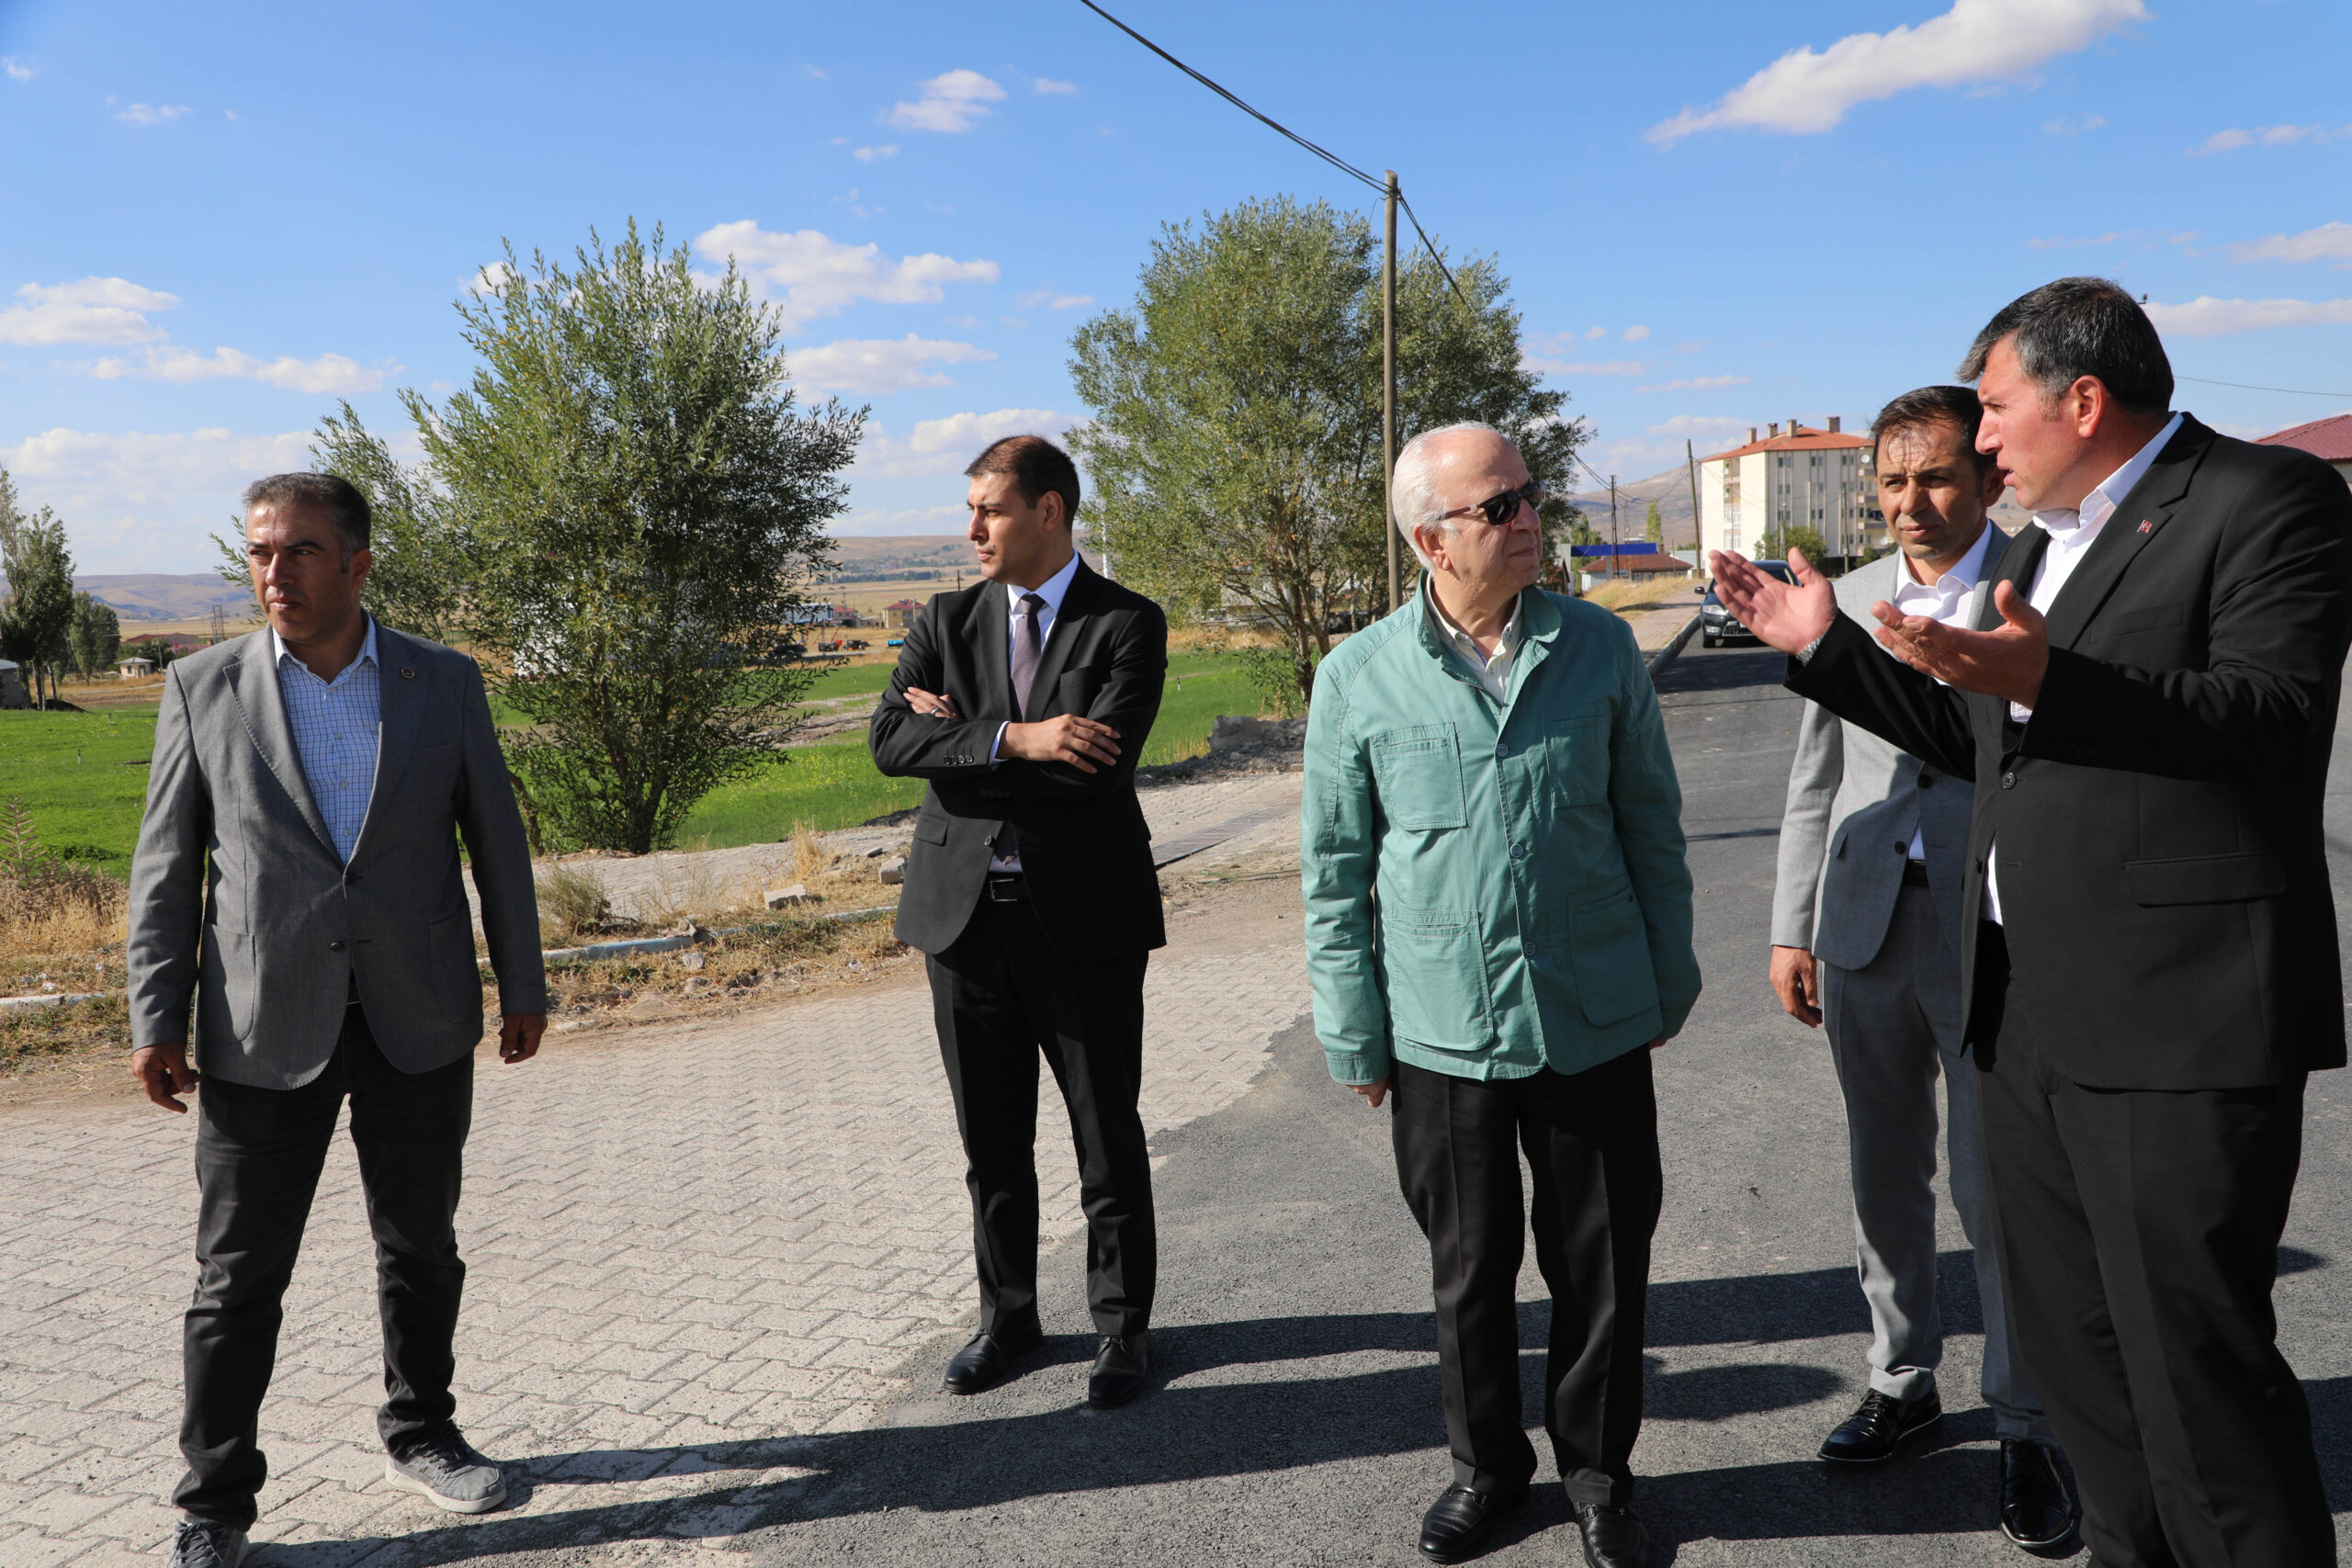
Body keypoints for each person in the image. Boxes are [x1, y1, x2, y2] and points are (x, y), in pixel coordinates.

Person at [1713, 276, 2350, 1568]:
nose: (1985, 436)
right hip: (2022, 1012)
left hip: (2173, 1020)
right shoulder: (2046, 543)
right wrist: (1825, 647)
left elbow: (2271, 718)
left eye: (1996, 408)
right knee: (2084, 1366)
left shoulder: (2263, 499)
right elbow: (1981, 741)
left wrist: (2051, 680)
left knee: (2196, 1378)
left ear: (2084, 398)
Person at [128, 473, 548, 1568]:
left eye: (301, 551)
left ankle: (423, 1430)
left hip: (418, 1014)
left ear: (358, 564)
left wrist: (524, 982)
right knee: (236, 1278)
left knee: (421, 1248)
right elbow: (167, 867)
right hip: (261, 1025)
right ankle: (214, 1504)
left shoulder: (440, 681)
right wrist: (154, 1014)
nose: (275, 573)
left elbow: (495, 840)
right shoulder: (202, 687)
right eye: (260, 552)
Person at [1302, 423, 1697, 1568]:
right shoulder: (1358, 676)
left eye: (1529, 496)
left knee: (1603, 1266)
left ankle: (1599, 1477)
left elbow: (1650, 826)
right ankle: (1486, 1471)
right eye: (1500, 505)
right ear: (1431, 539)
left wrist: (1664, 981)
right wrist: (1355, 1035)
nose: (1530, 519)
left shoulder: (1598, 647)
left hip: (1592, 1016)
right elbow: (1334, 873)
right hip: (1439, 1033)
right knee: (1468, 1277)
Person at [1770, 386, 2078, 1551]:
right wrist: (1790, 927)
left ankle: (2027, 1422)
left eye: (1936, 477)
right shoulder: (1844, 600)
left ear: (1988, 479)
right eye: (1892, 482)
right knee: (1881, 1171)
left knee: (1995, 1185)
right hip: (1862, 929)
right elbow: (1814, 778)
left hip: (1989, 928)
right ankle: (1901, 1381)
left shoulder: (2040, 585)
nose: (1910, 502)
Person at [868, 434, 1170, 1410]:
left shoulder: (1126, 623)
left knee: (1105, 1136)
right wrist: (1019, 736)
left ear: (1048, 510)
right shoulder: (942, 620)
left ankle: (1120, 1328)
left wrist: (956, 740)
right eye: (970, 510)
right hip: (962, 925)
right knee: (990, 1145)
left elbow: (1100, 769)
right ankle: (1008, 1319)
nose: (972, 529)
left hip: (1083, 920)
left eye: (989, 509)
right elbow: (890, 741)